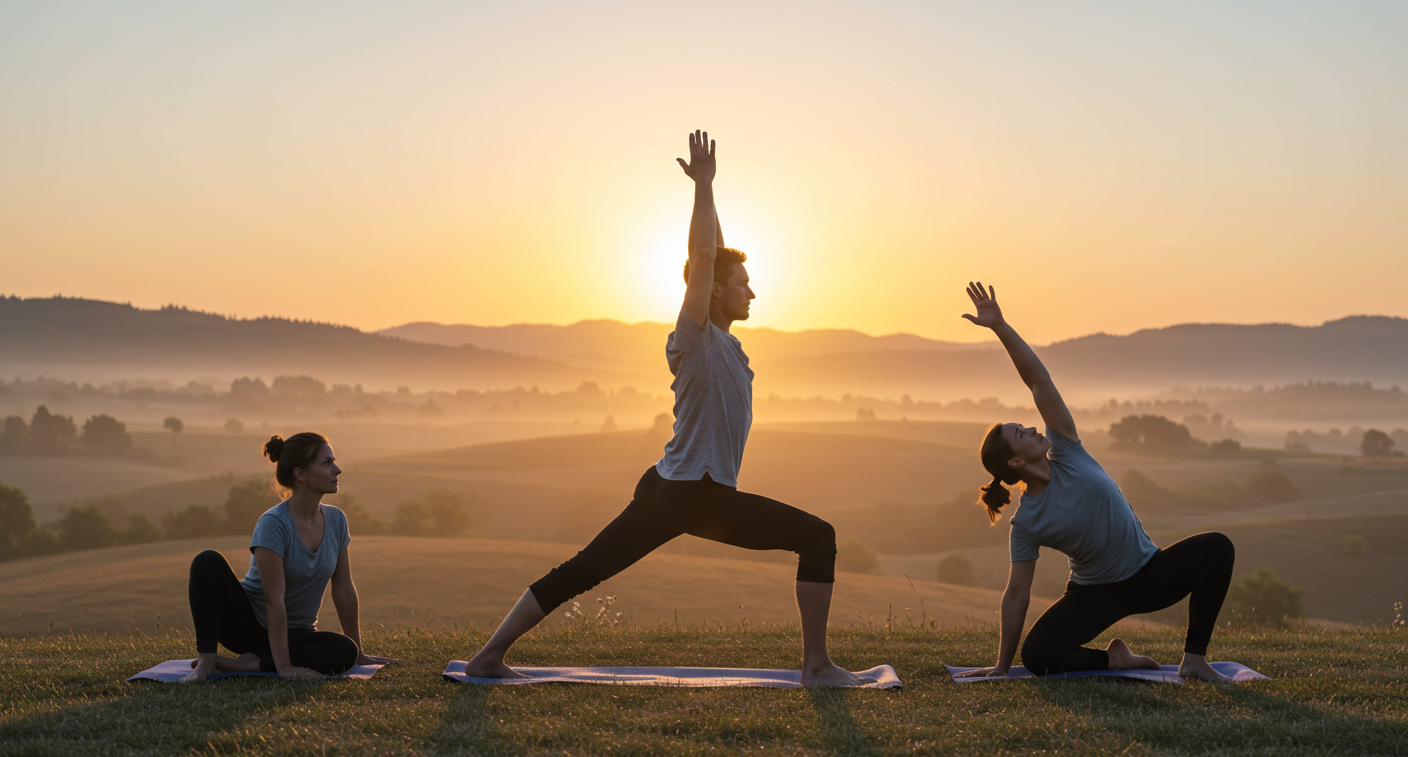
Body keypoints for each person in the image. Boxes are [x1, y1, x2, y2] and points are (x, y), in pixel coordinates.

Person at [463, 130, 869, 686]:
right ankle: (817, 667)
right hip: (694, 492)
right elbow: (704, 256)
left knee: (583, 570)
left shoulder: (721, 340)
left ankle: (487, 658)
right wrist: (702, 187)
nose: (753, 293)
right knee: (818, 537)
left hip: (665, 488)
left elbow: (716, 254)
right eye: (744, 286)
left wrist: (714, 191)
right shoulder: (694, 337)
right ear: (714, 295)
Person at [954, 283, 1236, 683]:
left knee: (1217, 547)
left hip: (1148, 573)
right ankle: (1115, 660)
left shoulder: (1066, 450)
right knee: (1038, 656)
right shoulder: (1027, 522)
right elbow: (1017, 594)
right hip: (1095, 594)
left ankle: (1194, 659)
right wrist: (1002, 664)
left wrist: (1000, 327)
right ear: (1016, 460)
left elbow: (1039, 382)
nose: (1033, 427)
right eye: (1021, 433)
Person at [182, 432, 394, 681]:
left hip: (298, 633)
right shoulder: (273, 523)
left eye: (333, 461)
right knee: (207, 561)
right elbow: (274, 599)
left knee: (345, 651)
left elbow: (344, 589)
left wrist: (359, 653)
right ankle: (208, 661)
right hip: (249, 626)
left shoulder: (337, 520)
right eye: (326, 463)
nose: (337, 470)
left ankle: (243, 665)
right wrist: (284, 668)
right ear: (300, 474)